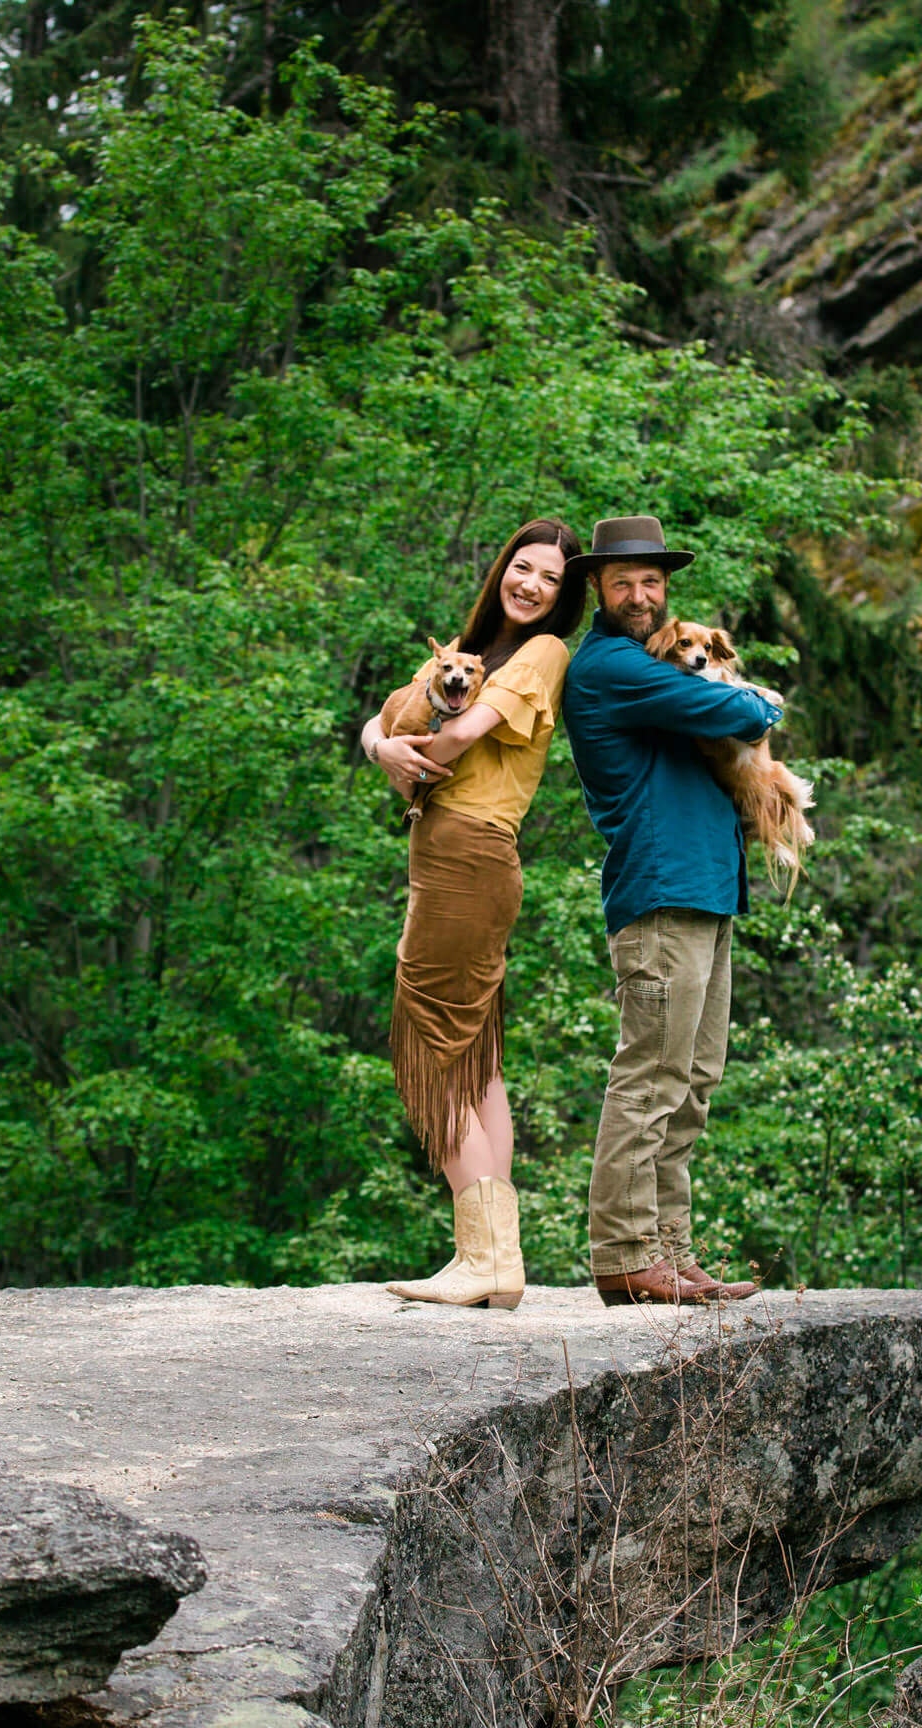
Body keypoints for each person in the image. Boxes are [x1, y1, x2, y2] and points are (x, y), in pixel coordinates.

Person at [359, 518, 587, 1310]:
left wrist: (399, 754)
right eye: (522, 568)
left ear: (565, 596)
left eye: (550, 579)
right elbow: (385, 722)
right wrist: (377, 745)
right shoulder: (462, 654)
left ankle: (484, 1255)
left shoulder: (543, 653)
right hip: (456, 857)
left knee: (427, 1042)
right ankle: (493, 1260)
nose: (531, 585)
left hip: (469, 853)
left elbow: (456, 737)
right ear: (501, 571)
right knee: (476, 1056)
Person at [560, 515, 778, 1305]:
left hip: (709, 893)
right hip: (660, 894)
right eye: (624, 582)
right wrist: (757, 702)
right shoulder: (611, 667)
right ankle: (623, 1253)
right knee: (651, 1079)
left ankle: (671, 1254)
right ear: (597, 588)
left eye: (652, 582)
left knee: (692, 1084)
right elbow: (745, 713)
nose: (640, 595)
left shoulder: (654, 662)